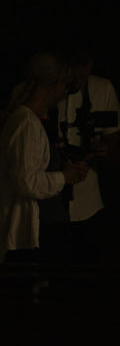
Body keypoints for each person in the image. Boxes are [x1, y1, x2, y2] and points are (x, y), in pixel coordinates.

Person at [3, 54, 91, 264]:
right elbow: (27, 181)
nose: (64, 92)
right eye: (64, 85)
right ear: (53, 85)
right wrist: (65, 177)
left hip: (41, 232)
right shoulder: (26, 123)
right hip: (34, 239)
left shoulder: (26, 120)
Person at [50, 46, 120, 267]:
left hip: (89, 205)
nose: (78, 84)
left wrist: (103, 153)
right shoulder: (47, 91)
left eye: (84, 77)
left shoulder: (102, 88)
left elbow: (116, 155)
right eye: (74, 78)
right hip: (48, 203)